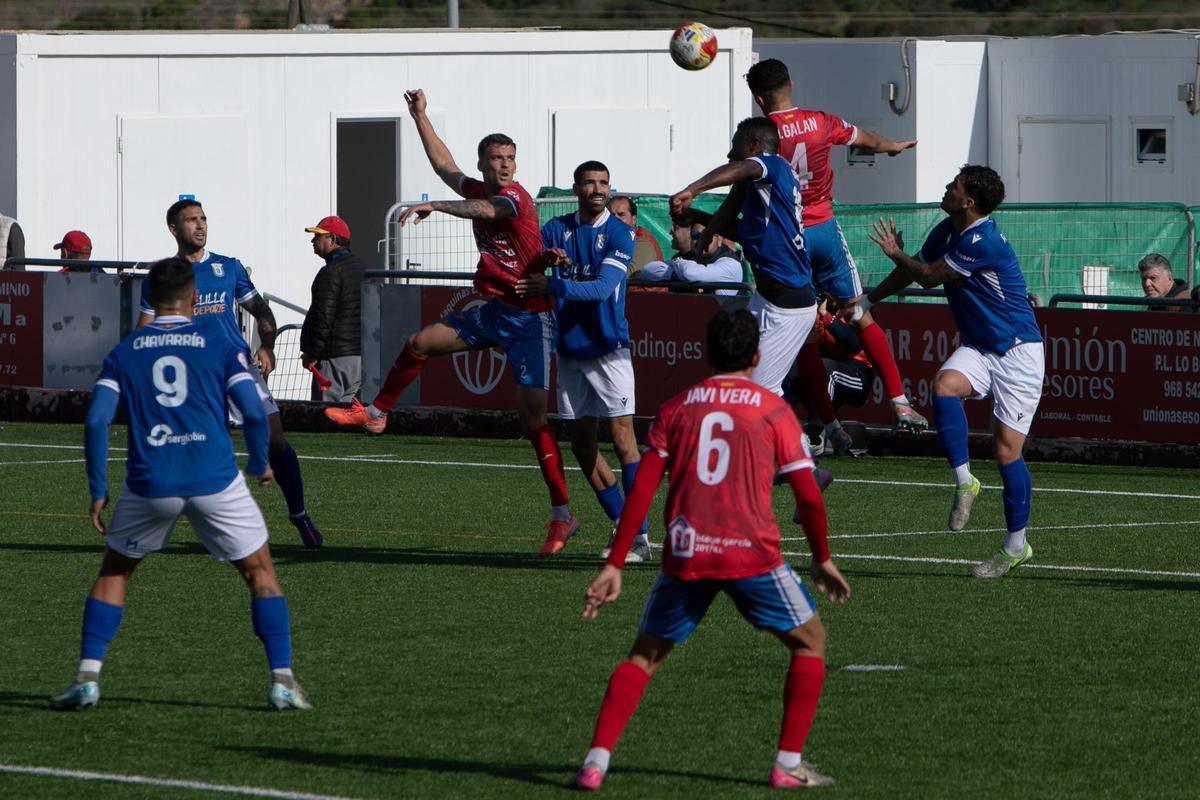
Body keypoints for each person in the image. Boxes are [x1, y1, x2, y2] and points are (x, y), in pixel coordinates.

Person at [569, 308, 850, 791]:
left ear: (706, 353)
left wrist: (616, 562)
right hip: (751, 554)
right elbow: (807, 494)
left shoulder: (677, 407)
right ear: (757, 355)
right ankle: (786, 765)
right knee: (810, 642)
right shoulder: (773, 409)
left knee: (643, 657)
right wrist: (821, 557)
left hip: (687, 552)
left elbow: (642, 490)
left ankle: (595, 763)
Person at [50, 257, 311, 712]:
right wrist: (256, 462)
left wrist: (97, 488)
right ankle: (283, 681)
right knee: (260, 573)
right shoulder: (216, 344)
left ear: (151, 300)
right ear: (194, 298)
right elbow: (252, 410)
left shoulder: (126, 351)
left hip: (151, 482)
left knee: (115, 571)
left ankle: (87, 678)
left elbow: (95, 421)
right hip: (214, 480)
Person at [325, 88, 576, 555]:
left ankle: (562, 514)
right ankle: (377, 413)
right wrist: (419, 115)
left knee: (533, 420)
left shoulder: (514, 199)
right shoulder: (480, 186)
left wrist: (436, 207)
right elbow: (445, 167)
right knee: (420, 341)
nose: (504, 165)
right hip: (495, 310)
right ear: (483, 164)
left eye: (510, 158)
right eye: (496, 158)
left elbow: (485, 211)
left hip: (529, 320)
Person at [846, 165, 1045, 579]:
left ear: (969, 201)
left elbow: (932, 276)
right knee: (944, 386)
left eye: (954, 187)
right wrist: (868, 300)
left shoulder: (982, 239)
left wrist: (897, 254)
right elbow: (915, 269)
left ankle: (1015, 546)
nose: (946, 189)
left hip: (1018, 351)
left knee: (1007, 451)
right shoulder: (948, 228)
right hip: (981, 346)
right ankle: (965, 481)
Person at [746, 58, 928, 440]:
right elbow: (867, 139)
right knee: (859, 312)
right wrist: (893, 146)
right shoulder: (821, 121)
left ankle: (829, 424)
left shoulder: (761, 135)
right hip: (825, 231)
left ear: (759, 98)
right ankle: (899, 400)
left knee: (806, 335)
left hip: (787, 240)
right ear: (791, 83)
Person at [138, 199, 324, 549]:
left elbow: (262, 313)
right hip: (193, 376)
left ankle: (298, 513)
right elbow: (146, 328)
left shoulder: (229, 267)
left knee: (274, 440)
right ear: (174, 229)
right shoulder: (163, 276)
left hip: (238, 367)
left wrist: (267, 346)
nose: (200, 225)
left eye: (203, 218)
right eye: (191, 220)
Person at [515, 161, 651, 563]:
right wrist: (543, 262)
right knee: (581, 445)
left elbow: (604, 287)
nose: (597, 189)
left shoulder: (620, 232)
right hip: (570, 349)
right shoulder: (556, 229)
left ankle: (638, 538)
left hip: (609, 348)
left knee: (624, 439)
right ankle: (625, 524)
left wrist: (554, 282)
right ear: (576, 188)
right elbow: (529, 268)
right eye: (590, 183)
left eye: (604, 183)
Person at [669, 118, 818, 406]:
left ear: (754, 145)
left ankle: (795, 448)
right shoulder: (761, 190)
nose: (729, 155)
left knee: (753, 395)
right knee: (735, 379)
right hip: (766, 299)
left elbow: (744, 167)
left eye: (734, 146)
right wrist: (703, 223)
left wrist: (693, 189)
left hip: (788, 307)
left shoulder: (770, 164)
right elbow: (738, 220)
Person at [786, 299, 875, 453]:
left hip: (858, 375)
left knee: (826, 370)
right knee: (789, 368)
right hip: (828, 369)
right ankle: (780, 429)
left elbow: (852, 343)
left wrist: (825, 315)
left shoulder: (854, 303)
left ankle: (815, 433)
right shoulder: (814, 304)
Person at [301, 215, 366, 402]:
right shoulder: (363, 269)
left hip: (334, 359)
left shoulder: (330, 272)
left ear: (333, 239)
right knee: (346, 420)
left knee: (325, 417)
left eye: (318, 235)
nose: (313, 240)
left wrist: (313, 353)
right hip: (360, 357)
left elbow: (323, 319)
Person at [639, 209, 745, 295]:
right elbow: (647, 271)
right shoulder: (687, 258)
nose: (702, 240)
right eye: (695, 235)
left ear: (719, 240)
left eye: (708, 235)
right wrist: (678, 274)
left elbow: (690, 273)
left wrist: (677, 267)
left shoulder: (731, 264)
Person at [606, 195, 663, 274]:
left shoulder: (642, 243)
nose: (614, 219)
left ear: (634, 219)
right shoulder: (614, 239)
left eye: (621, 214)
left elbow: (624, 274)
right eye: (610, 215)